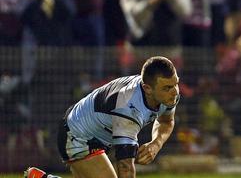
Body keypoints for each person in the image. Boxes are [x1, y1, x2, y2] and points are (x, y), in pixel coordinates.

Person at [24, 56, 179, 178]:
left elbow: (166, 121)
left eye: (175, 84)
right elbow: (125, 167)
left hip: (95, 135)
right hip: (78, 136)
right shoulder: (128, 108)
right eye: (167, 87)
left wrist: (156, 143)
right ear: (147, 88)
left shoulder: (167, 95)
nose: (174, 92)